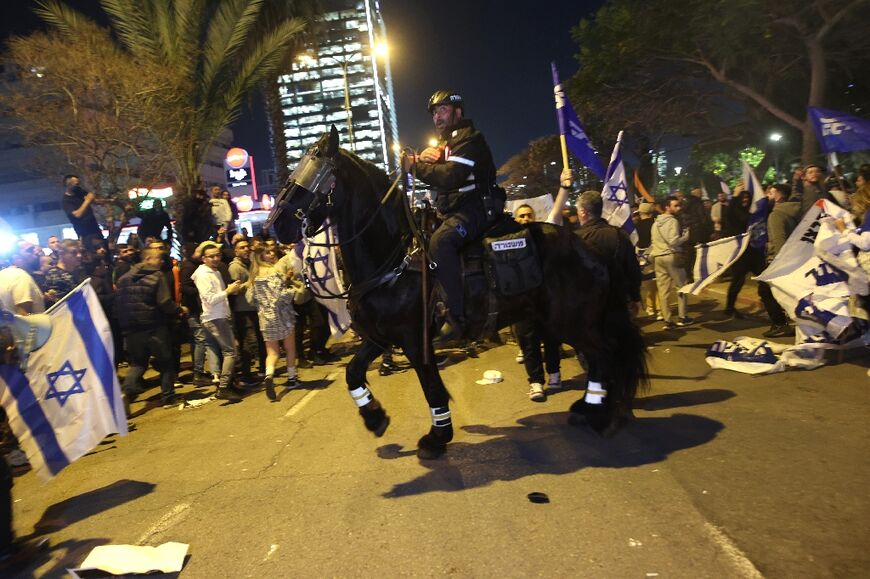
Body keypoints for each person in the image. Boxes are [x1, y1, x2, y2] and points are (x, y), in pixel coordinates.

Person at [403, 90, 502, 341]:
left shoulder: (469, 139)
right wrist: (424, 158)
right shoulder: (448, 145)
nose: (437, 117)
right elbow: (441, 172)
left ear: (459, 112)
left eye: (443, 110)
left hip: (477, 209)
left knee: (441, 241)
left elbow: (451, 176)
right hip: (457, 210)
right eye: (435, 113)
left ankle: (457, 317)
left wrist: (415, 165)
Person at [115, 247, 188, 407]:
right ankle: (168, 397)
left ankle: (125, 393)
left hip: (131, 328)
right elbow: (164, 302)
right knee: (166, 361)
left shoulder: (123, 279)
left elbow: (119, 304)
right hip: (154, 326)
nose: (161, 261)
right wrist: (179, 310)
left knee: (138, 364)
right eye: (157, 258)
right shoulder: (157, 276)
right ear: (147, 259)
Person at [509, 204, 562, 401]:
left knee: (551, 338)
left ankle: (555, 374)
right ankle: (536, 382)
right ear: (516, 219)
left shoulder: (544, 237)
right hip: (523, 302)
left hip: (546, 299)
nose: (525, 219)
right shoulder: (510, 240)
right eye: (521, 216)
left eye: (529, 215)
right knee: (528, 342)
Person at [191, 242, 245, 402]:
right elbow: (210, 299)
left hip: (219, 315)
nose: (216, 259)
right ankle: (224, 387)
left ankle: (229, 383)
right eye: (211, 256)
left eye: (218, 255)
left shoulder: (214, 271)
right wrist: (228, 291)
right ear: (203, 258)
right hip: (214, 317)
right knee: (230, 352)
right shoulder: (203, 275)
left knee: (226, 351)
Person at [251, 245, 300, 400]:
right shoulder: (274, 272)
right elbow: (280, 295)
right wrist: (293, 291)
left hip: (265, 318)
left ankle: (269, 374)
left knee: (272, 352)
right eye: (267, 252)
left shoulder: (254, 276)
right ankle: (292, 379)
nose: (272, 254)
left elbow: (252, 298)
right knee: (290, 347)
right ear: (261, 256)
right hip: (282, 315)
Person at [650, 196, 693, 329]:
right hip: (671, 256)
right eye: (675, 205)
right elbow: (673, 241)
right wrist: (685, 237)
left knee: (663, 291)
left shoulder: (655, 223)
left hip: (658, 257)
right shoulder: (672, 221)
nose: (678, 208)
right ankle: (682, 317)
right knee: (681, 286)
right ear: (667, 207)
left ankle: (667, 320)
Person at [228, 237, 265, 383]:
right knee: (249, 342)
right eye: (241, 247)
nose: (245, 249)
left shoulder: (250, 263)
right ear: (235, 251)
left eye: (246, 247)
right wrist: (249, 284)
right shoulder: (235, 267)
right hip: (242, 310)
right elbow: (234, 290)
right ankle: (246, 374)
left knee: (259, 338)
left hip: (253, 307)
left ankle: (262, 369)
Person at [0, 241, 45, 315]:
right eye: (30, 250)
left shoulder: (4, 274)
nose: (37, 253)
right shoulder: (20, 277)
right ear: (16, 257)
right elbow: (23, 317)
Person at [61, 174, 104, 248]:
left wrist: (110, 201)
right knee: (94, 253)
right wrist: (87, 201)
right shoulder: (66, 200)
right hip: (85, 233)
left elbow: (94, 200)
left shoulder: (79, 191)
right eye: (76, 184)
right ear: (68, 184)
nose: (78, 186)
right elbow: (77, 214)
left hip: (95, 228)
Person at [635, 202, 660, 318]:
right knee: (658, 281)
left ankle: (650, 308)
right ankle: (660, 309)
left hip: (641, 255)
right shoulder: (655, 224)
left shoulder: (636, 226)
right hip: (654, 252)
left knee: (647, 282)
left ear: (641, 213)